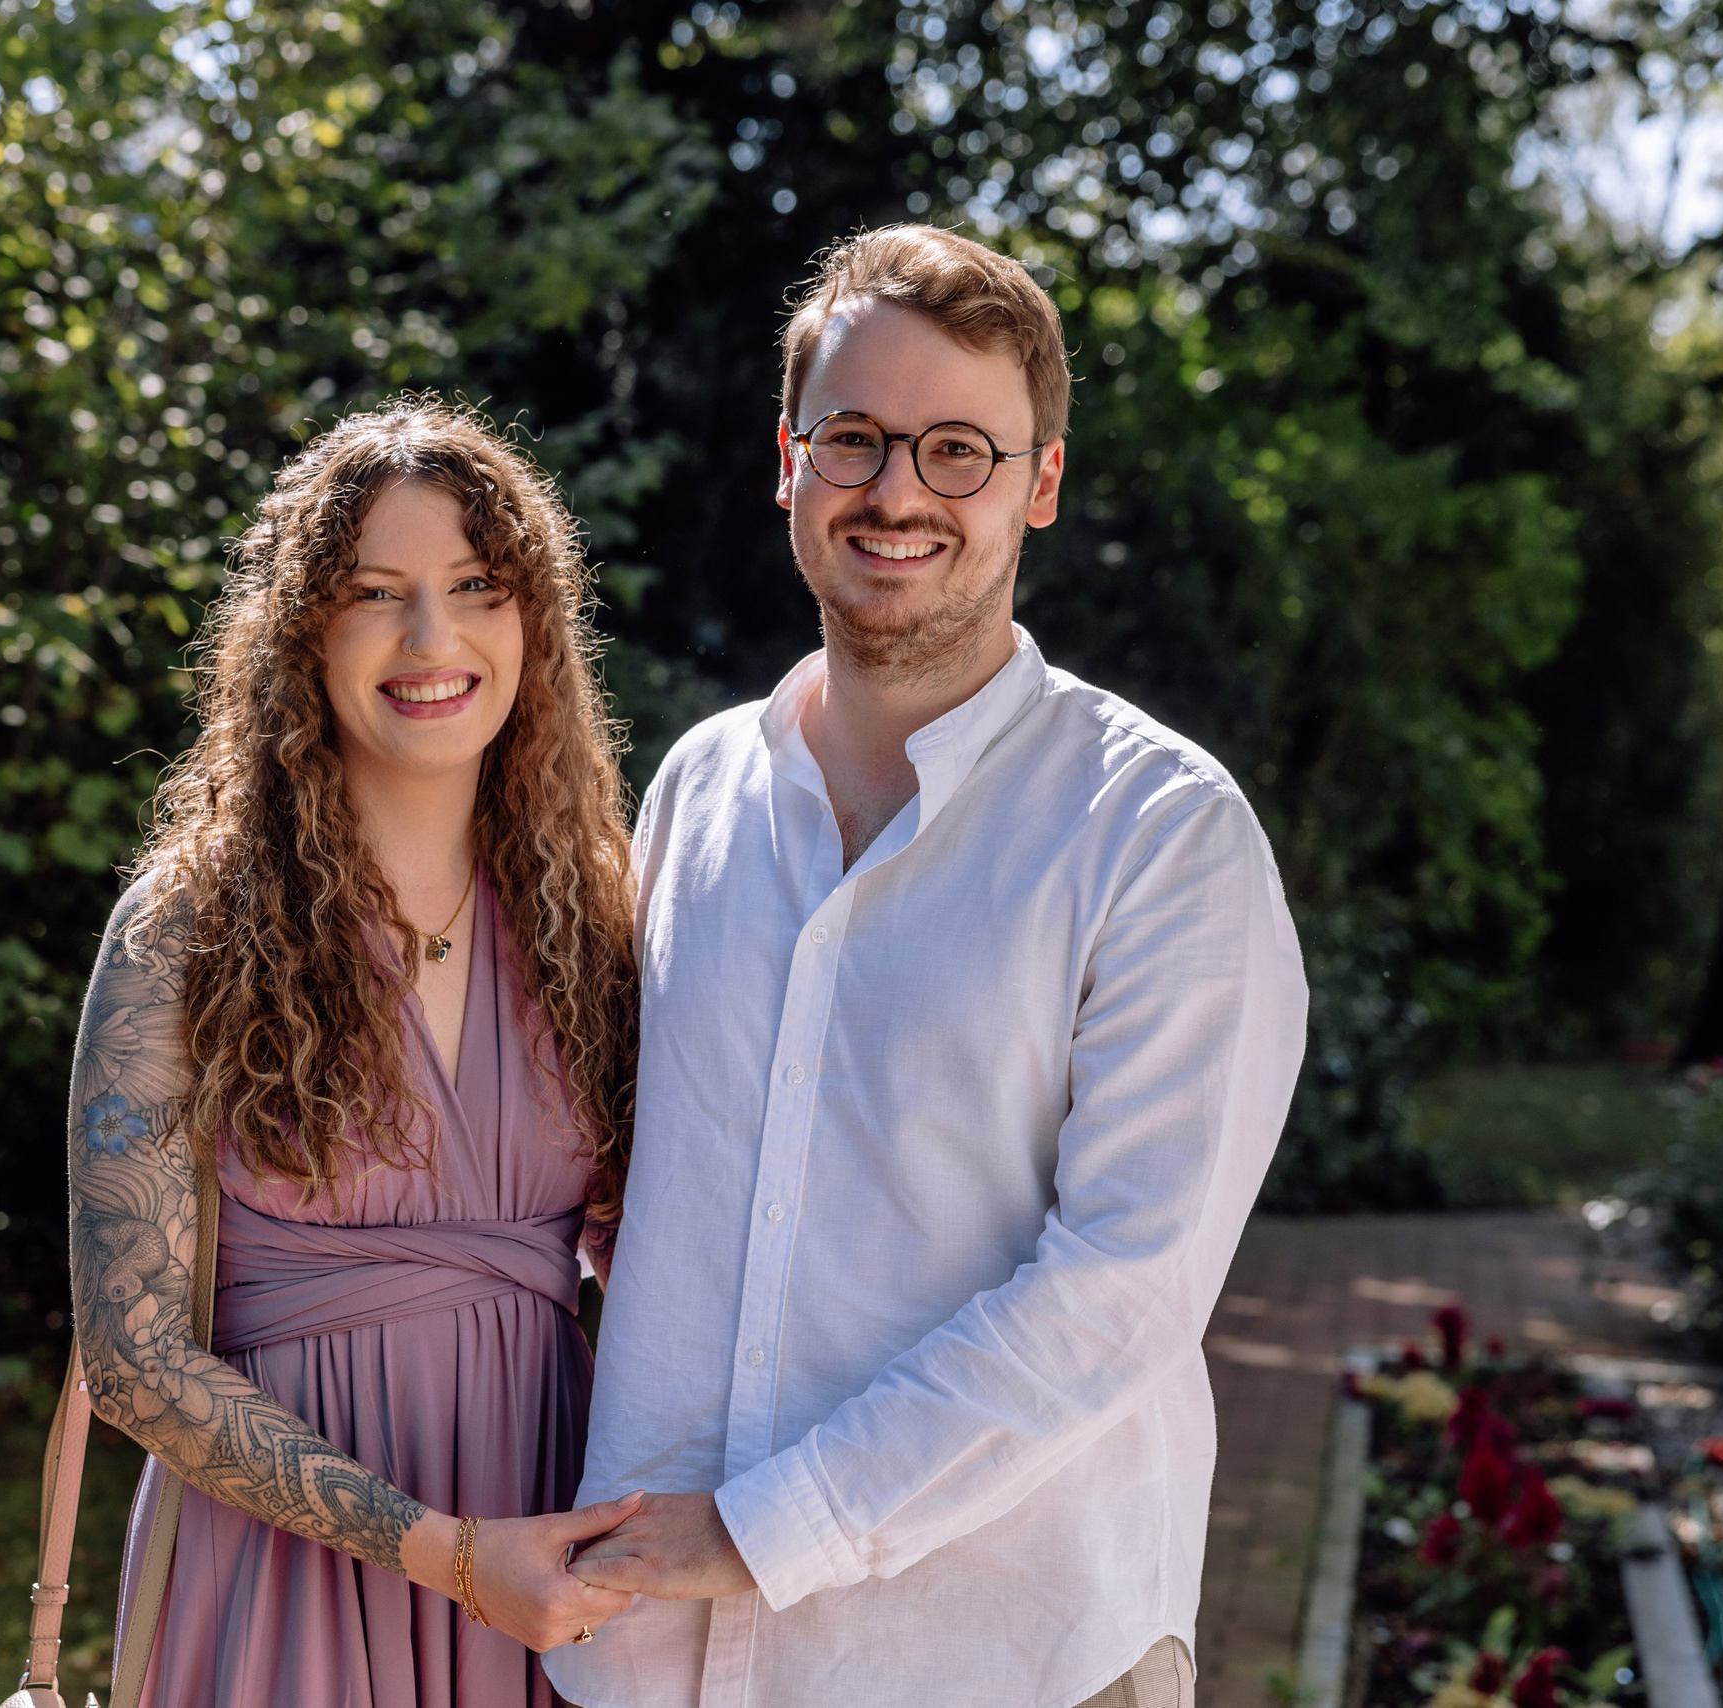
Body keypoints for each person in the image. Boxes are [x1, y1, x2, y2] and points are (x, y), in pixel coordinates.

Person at [548, 227, 1310, 1708]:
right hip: (649, 1654)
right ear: (789, 462)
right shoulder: (695, 789)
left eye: (959, 449)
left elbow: (1124, 1287)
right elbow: (645, 1169)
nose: (897, 492)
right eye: (855, 439)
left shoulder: (1161, 833)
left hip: (1002, 1652)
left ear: (1042, 484)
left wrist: (771, 1533)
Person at [64, 397, 644, 1706]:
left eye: (476, 587)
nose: (432, 639)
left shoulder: (599, 916)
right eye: (376, 592)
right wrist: (444, 1554)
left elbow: (662, 1251)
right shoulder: (189, 925)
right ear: (303, 634)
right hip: (275, 1580)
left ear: (532, 621)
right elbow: (132, 1356)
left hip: (546, 1559)